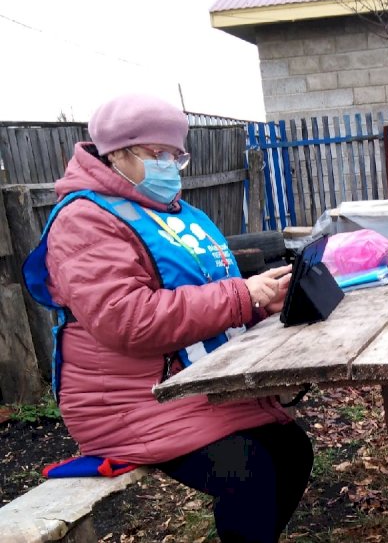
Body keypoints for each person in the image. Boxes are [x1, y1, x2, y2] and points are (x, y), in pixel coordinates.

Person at [23, 93, 313, 543]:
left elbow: (212, 294)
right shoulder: (83, 220)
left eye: (176, 155)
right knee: (248, 470)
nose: (169, 166)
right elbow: (127, 319)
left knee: (292, 451)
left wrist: (261, 302)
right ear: (116, 153)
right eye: (157, 154)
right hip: (130, 403)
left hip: (195, 384)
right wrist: (242, 296)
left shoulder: (178, 213)